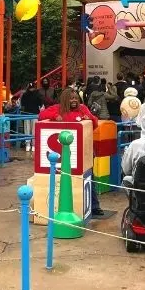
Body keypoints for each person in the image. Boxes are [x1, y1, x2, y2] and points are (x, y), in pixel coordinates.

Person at [38, 88, 104, 216]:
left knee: (89, 177)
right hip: (64, 154)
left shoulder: (83, 108)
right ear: (65, 99)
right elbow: (41, 116)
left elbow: (94, 123)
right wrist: (54, 116)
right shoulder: (57, 108)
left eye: (76, 99)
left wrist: (88, 117)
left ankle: (94, 206)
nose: (74, 101)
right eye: (71, 98)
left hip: (85, 151)